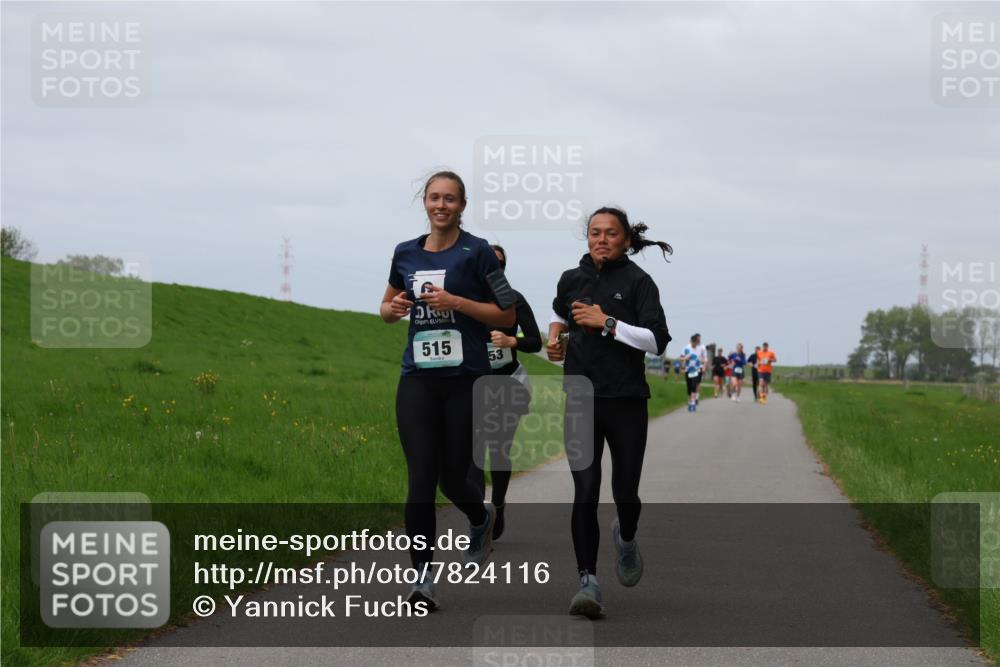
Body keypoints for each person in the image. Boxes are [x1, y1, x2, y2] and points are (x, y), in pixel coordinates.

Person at [381, 171, 516, 610]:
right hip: (418, 378)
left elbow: (507, 316)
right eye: (435, 197)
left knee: (453, 478)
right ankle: (423, 582)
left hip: (465, 381)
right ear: (425, 201)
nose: (441, 205)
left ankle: (480, 515)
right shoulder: (405, 252)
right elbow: (385, 307)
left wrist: (456, 303)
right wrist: (394, 307)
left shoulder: (478, 253)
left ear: (462, 205)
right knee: (420, 480)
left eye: (450, 199)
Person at [545, 206, 671, 619]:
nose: (601, 239)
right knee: (585, 492)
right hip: (580, 397)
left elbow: (656, 341)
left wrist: (608, 322)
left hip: (627, 401)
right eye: (595, 232)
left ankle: (627, 537)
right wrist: (554, 344)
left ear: (626, 240)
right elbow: (558, 315)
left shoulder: (639, 282)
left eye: (611, 233)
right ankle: (588, 582)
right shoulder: (571, 278)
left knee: (626, 494)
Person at [467, 244, 542, 542]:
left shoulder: (514, 299)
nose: (493, 267)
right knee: (472, 451)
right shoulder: (466, 299)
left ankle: (497, 504)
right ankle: (478, 515)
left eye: (499, 263)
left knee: (497, 449)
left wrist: (512, 340)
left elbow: (535, 341)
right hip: (473, 385)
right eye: (488, 262)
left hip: (510, 383)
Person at [681, 334, 705, 412]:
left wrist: (701, 361)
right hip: (688, 370)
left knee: (694, 386)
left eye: (697, 343)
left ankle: (693, 402)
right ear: (691, 341)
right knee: (689, 387)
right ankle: (690, 401)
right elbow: (681, 358)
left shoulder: (700, 349)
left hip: (696, 370)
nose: (695, 344)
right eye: (694, 342)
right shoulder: (686, 348)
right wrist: (685, 358)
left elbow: (703, 360)